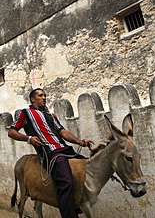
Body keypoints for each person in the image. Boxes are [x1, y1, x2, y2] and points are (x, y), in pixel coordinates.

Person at [8, 88, 93, 218]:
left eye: (45, 95)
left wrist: (79, 142)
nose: (44, 98)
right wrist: (29, 139)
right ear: (33, 99)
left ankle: (75, 204)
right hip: (51, 153)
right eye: (40, 96)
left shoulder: (51, 116)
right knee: (66, 182)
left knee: (88, 167)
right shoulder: (26, 113)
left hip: (65, 149)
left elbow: (63, 132)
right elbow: (12, 132)